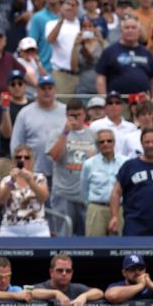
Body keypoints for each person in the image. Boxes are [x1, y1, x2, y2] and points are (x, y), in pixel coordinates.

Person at [46, 98, 97, 236]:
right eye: (71, 115)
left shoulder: (93, 135)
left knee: (86, 239)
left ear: (84, 114)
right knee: (63, 237)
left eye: (78, 115)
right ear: (66, 115)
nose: (75, 118)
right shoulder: (57, 132)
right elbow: (55, 156)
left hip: (85, 195)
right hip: (63, 193)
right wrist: (65, 133)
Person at [81, 129, 128, 236]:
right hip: (96, 209)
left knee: (119, 247)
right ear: (97, 145)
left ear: (114, 143)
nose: (106, 144)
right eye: (102, 142)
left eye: (109, 141)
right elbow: (84, 189)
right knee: (94, 247)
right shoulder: (89, 164)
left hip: (120, 209)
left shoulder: (126, 162)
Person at [0, 145, 50, 237]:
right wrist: (11, 182)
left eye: (26, 157)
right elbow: (0, 200)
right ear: (14, 161)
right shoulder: (7, 179)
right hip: (11, 227)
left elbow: (44, 197)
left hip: (37, 226)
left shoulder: (39, 178)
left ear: (32, 161)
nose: (22, 160)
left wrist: (30, 181)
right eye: (19, 157)